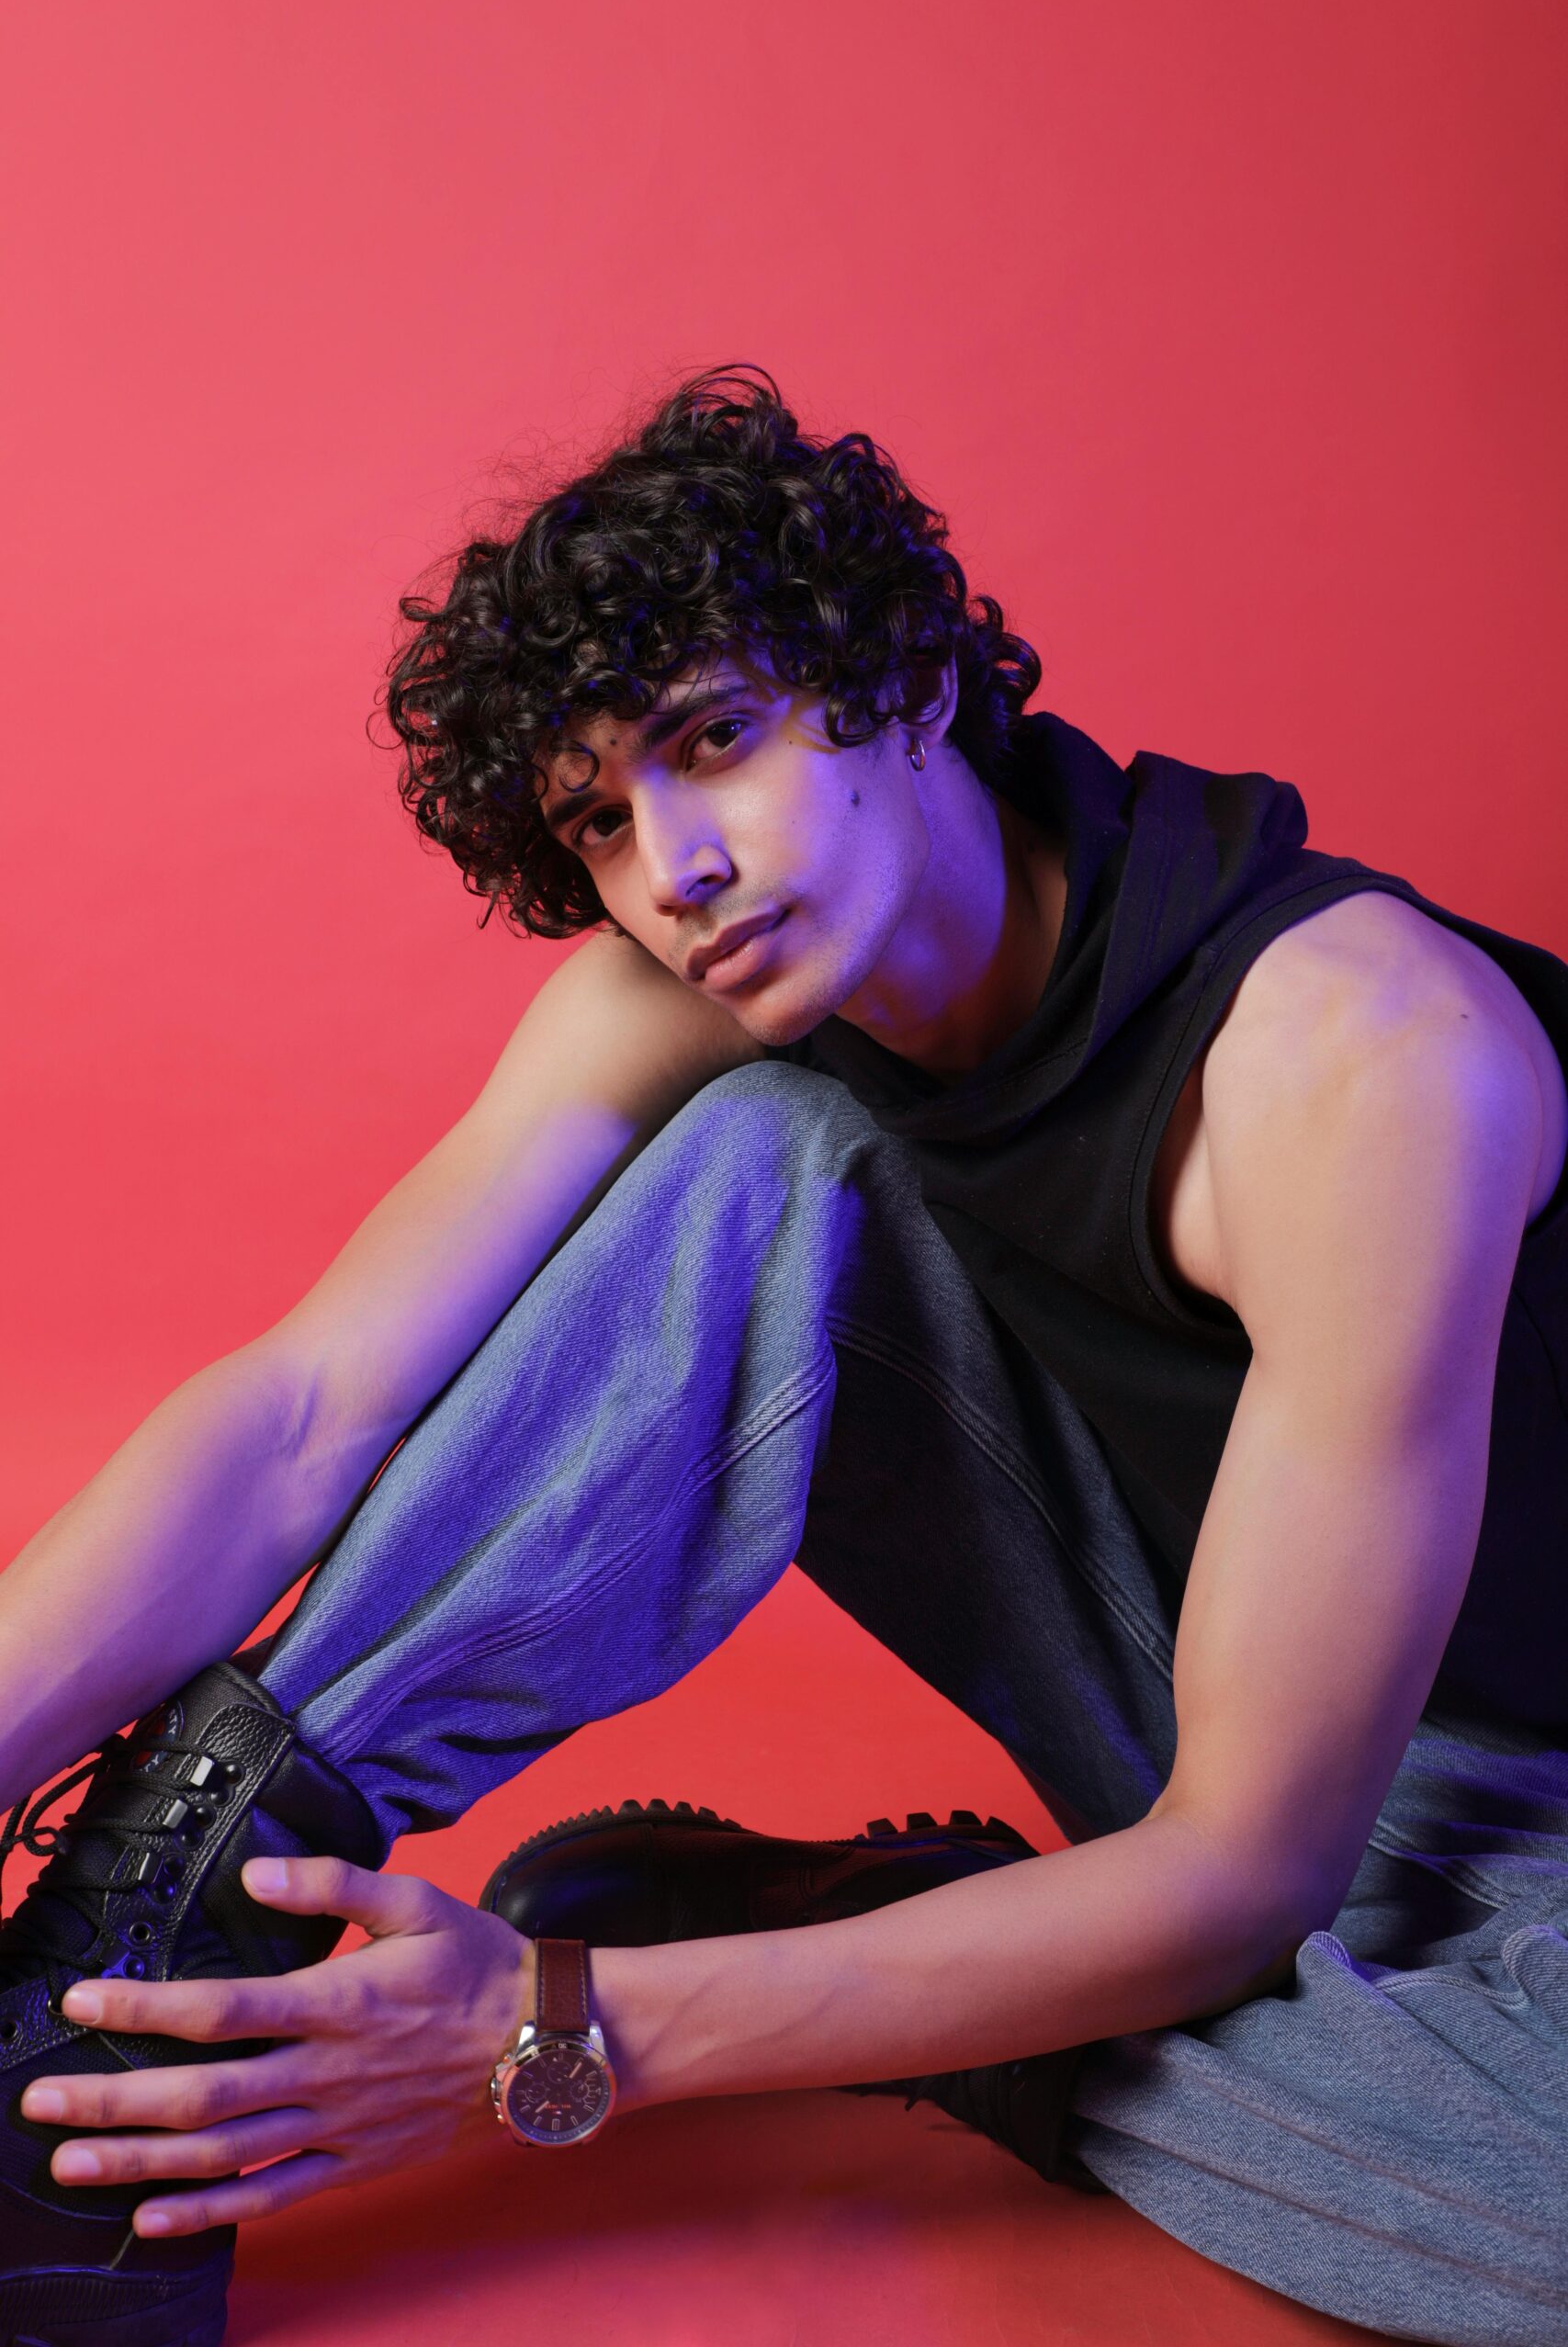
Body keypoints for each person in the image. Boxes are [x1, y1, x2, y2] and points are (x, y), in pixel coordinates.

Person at [3, 362, 1565, 2347]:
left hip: (1478, 1816)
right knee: (772, 1151)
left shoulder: (1360, 1061)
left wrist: (571, 2021)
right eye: (595, 821)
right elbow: (307, 1405)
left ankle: (849, 1955)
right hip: (1181, 1688)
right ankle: (121, 1972)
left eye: (714, 741)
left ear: (903, 680)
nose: (678, 868)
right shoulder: (691, 993)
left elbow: (1250, 1861)